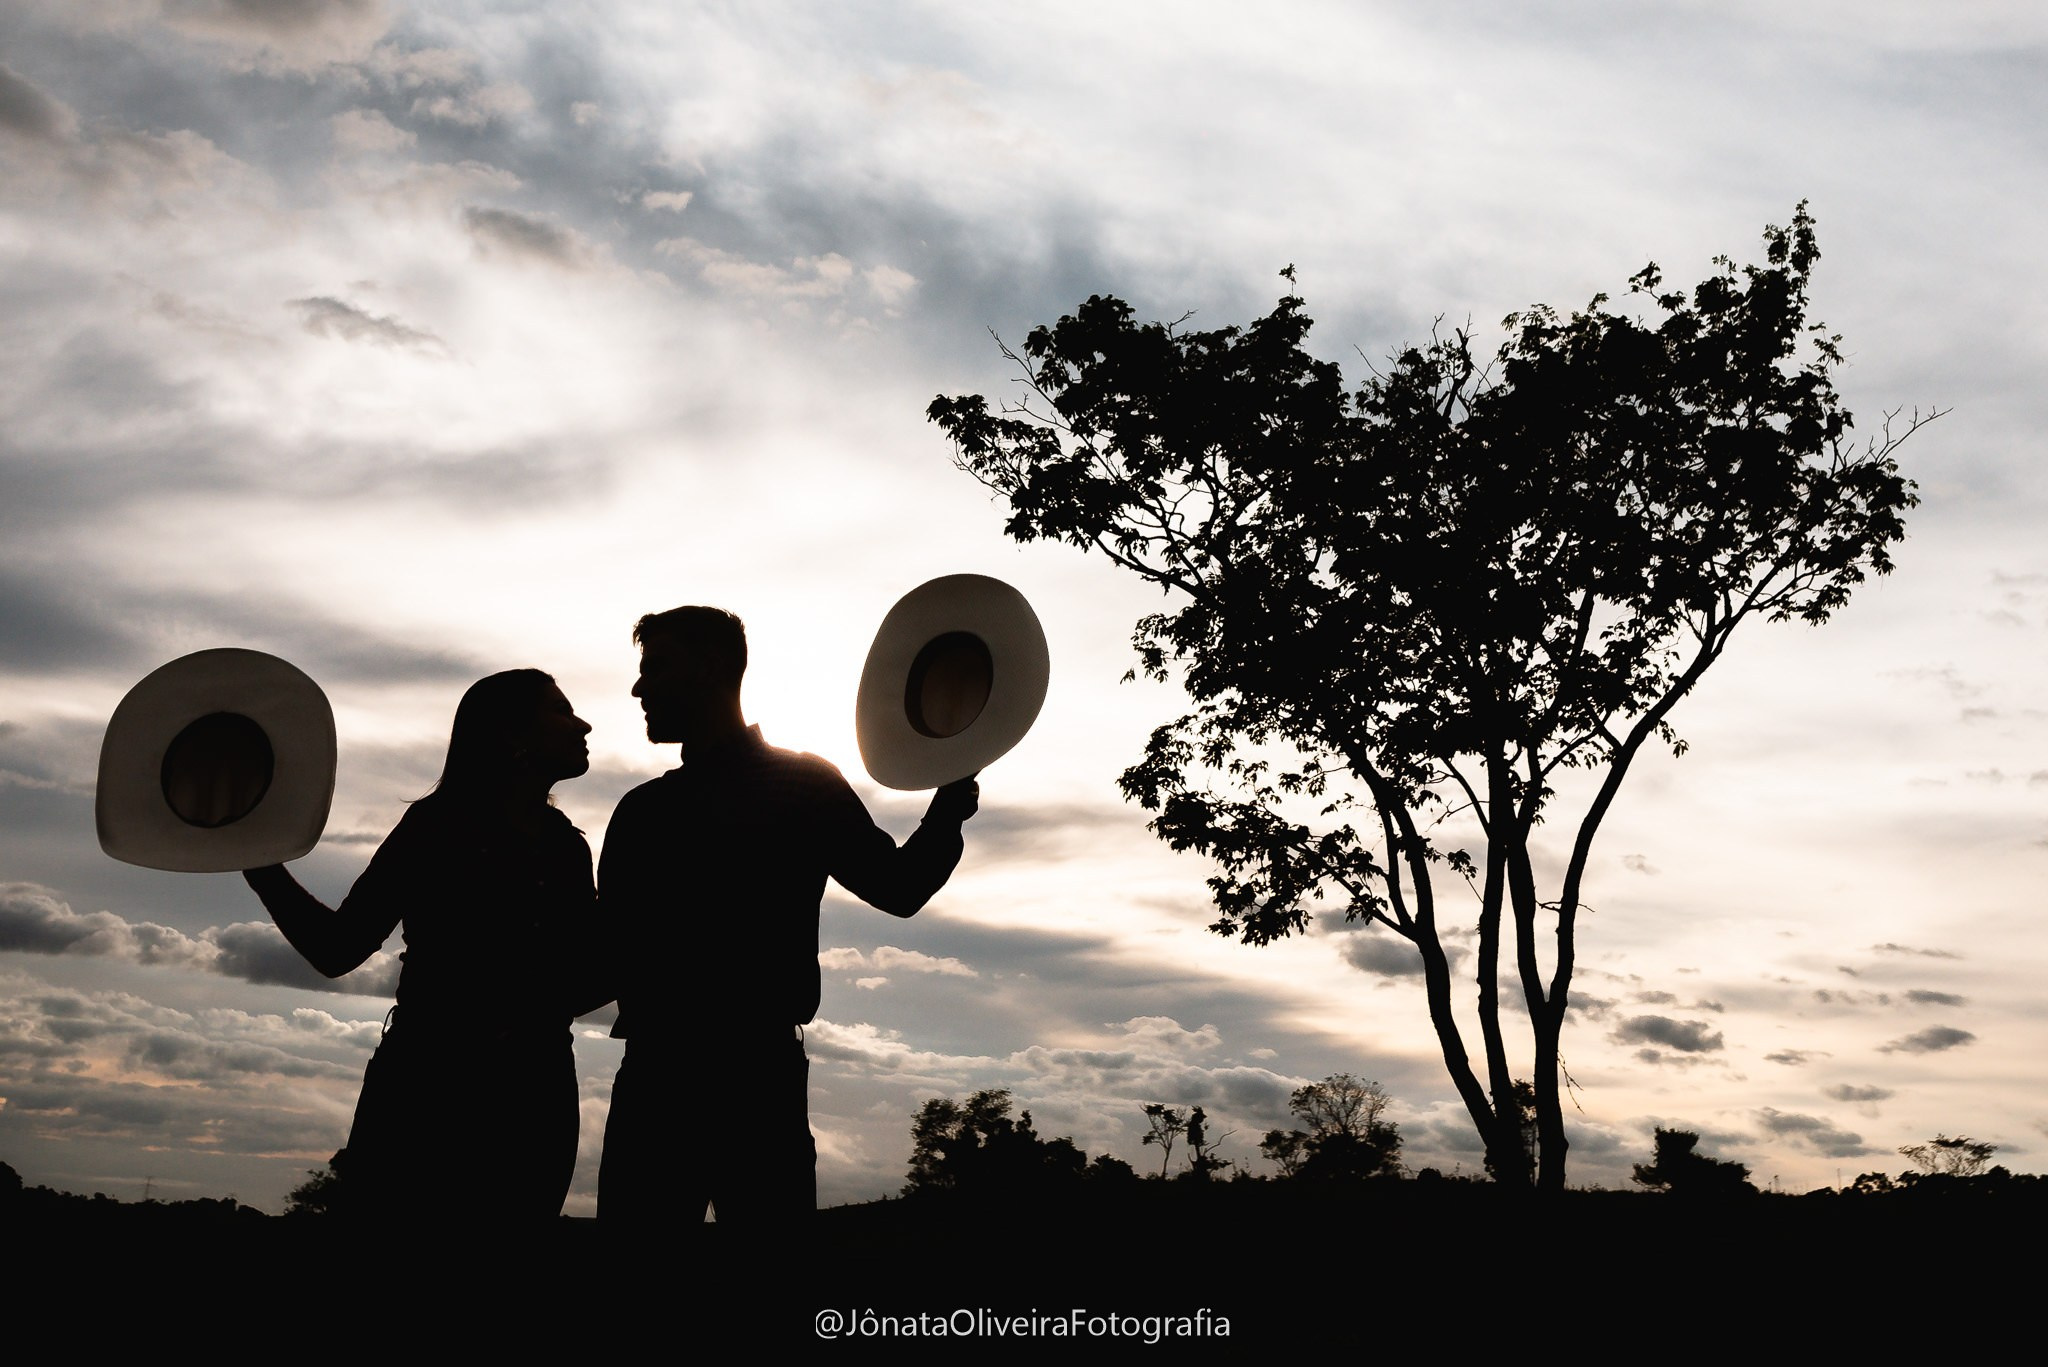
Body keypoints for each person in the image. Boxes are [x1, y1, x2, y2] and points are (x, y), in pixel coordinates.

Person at [597, 606, 978, 1229]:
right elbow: (606, 954)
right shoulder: (646, 810)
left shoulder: (782, 786)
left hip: (728, 1083)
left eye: (657, 668)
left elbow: (899, 887)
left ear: (710, 668)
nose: (641, 688)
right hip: (687, 1079)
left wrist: (951, 799)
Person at [242, 669, 602, 1225]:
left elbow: (584, 978)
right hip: (428, 1092)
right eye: (560, 710)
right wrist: (258, 863)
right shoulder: (436, 825)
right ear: (511, 734)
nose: (583, 725)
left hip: (534, 1095)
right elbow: (338, 949)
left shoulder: (567, 846)